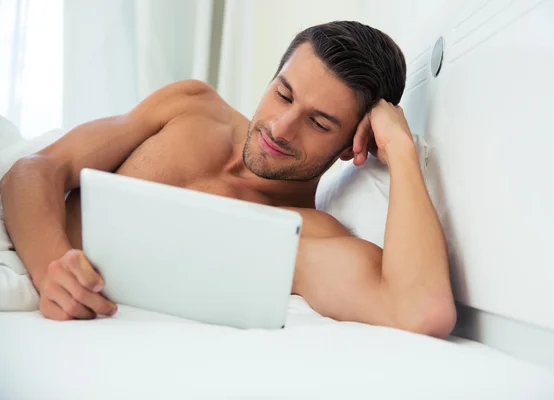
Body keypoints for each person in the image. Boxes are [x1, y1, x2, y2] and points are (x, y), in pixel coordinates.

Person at [0, 21, 456, 337]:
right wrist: (51, 268)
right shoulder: (191, 105)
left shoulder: (300, 234)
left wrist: (399, 150)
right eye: (282, 94)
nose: (280, 129)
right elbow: (36, 169)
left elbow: (421, 309)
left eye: (318, 123)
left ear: (350, 145)